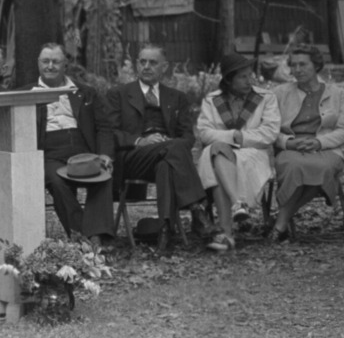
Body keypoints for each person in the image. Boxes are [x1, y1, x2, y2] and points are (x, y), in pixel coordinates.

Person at [108, 44, 207, 250]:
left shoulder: (177, 98)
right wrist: (140, 141)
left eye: (153, 63)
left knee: (166, 164)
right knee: (173, 150)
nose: (146, 66)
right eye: (142, 62)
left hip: (166, 157)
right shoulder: (118, 94)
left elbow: (188, 137)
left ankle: (165, 231)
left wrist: (166, 142)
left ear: (164, 67)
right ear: (136, 65)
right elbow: (111, 133)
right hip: (133, 158)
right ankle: (197, 209)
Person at [194, 53, 279, 248]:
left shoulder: (266, 98)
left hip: (253, 153)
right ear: (229, 79)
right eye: (242, 76)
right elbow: (204, 133)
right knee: (216, 151)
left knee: (215, 161)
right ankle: (237, 204)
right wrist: (232, 136)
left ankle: (226, 233)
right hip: (221, 152)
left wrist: (242, 139)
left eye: (250, 75)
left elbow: (270, 132)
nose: (249, 80)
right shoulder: (211, 100)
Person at [268, 45, 344, 241]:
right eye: (293, 65)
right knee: (293, 165)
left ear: (316, 65)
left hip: (326, 148)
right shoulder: (280, 93)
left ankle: (280, 223)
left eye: (303, 64)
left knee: (321, 168)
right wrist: (289, 143)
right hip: (291, 148)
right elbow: (270, 129)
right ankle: (281, 225)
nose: (297, 69)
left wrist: (318, 142)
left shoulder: (338, 94)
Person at [32, 44, 116, 241]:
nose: (50, 66)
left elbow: (104, 126)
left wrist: (104, 154)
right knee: (57, 182)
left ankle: (97, 235)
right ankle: (81, 236)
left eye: (56, 61)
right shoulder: (26, 94)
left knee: (103, 175)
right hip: (48, 155)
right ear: (38, 64)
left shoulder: (85, 92)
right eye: (45, 61)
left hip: (83, 153)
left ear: (65, 64)